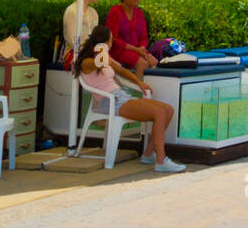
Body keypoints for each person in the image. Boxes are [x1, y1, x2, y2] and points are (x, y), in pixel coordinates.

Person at [72, 25, 185, 173]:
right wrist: (101, 51)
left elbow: (122, 71)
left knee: (168, 109)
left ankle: (149, 154)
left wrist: (139, 83)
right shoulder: (87, 62)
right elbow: (97, 64)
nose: (112, 44)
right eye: (110, 41)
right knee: (159, 113)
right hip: (109, 101)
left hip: (120, 96)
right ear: (104, 42)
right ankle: (161, 160)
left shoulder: (107, 58)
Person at [107, 0, 157, 80]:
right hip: (119, 50)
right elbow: (114, 38)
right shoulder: (115, 11)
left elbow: (144, 37)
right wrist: (136, 50)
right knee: (142, 63)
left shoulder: (139, 13)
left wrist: (142, 49)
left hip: (137, 50)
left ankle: (143, 90)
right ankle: (137, 92)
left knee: (153, 61)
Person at [62, 0, 102, 70]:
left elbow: (96, 37)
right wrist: (92, 52)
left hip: (90, 52)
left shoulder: (93, 12)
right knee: (103, 64)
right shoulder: (72, 11)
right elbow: (72, 41)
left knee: (108, 63)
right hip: (73, 53)